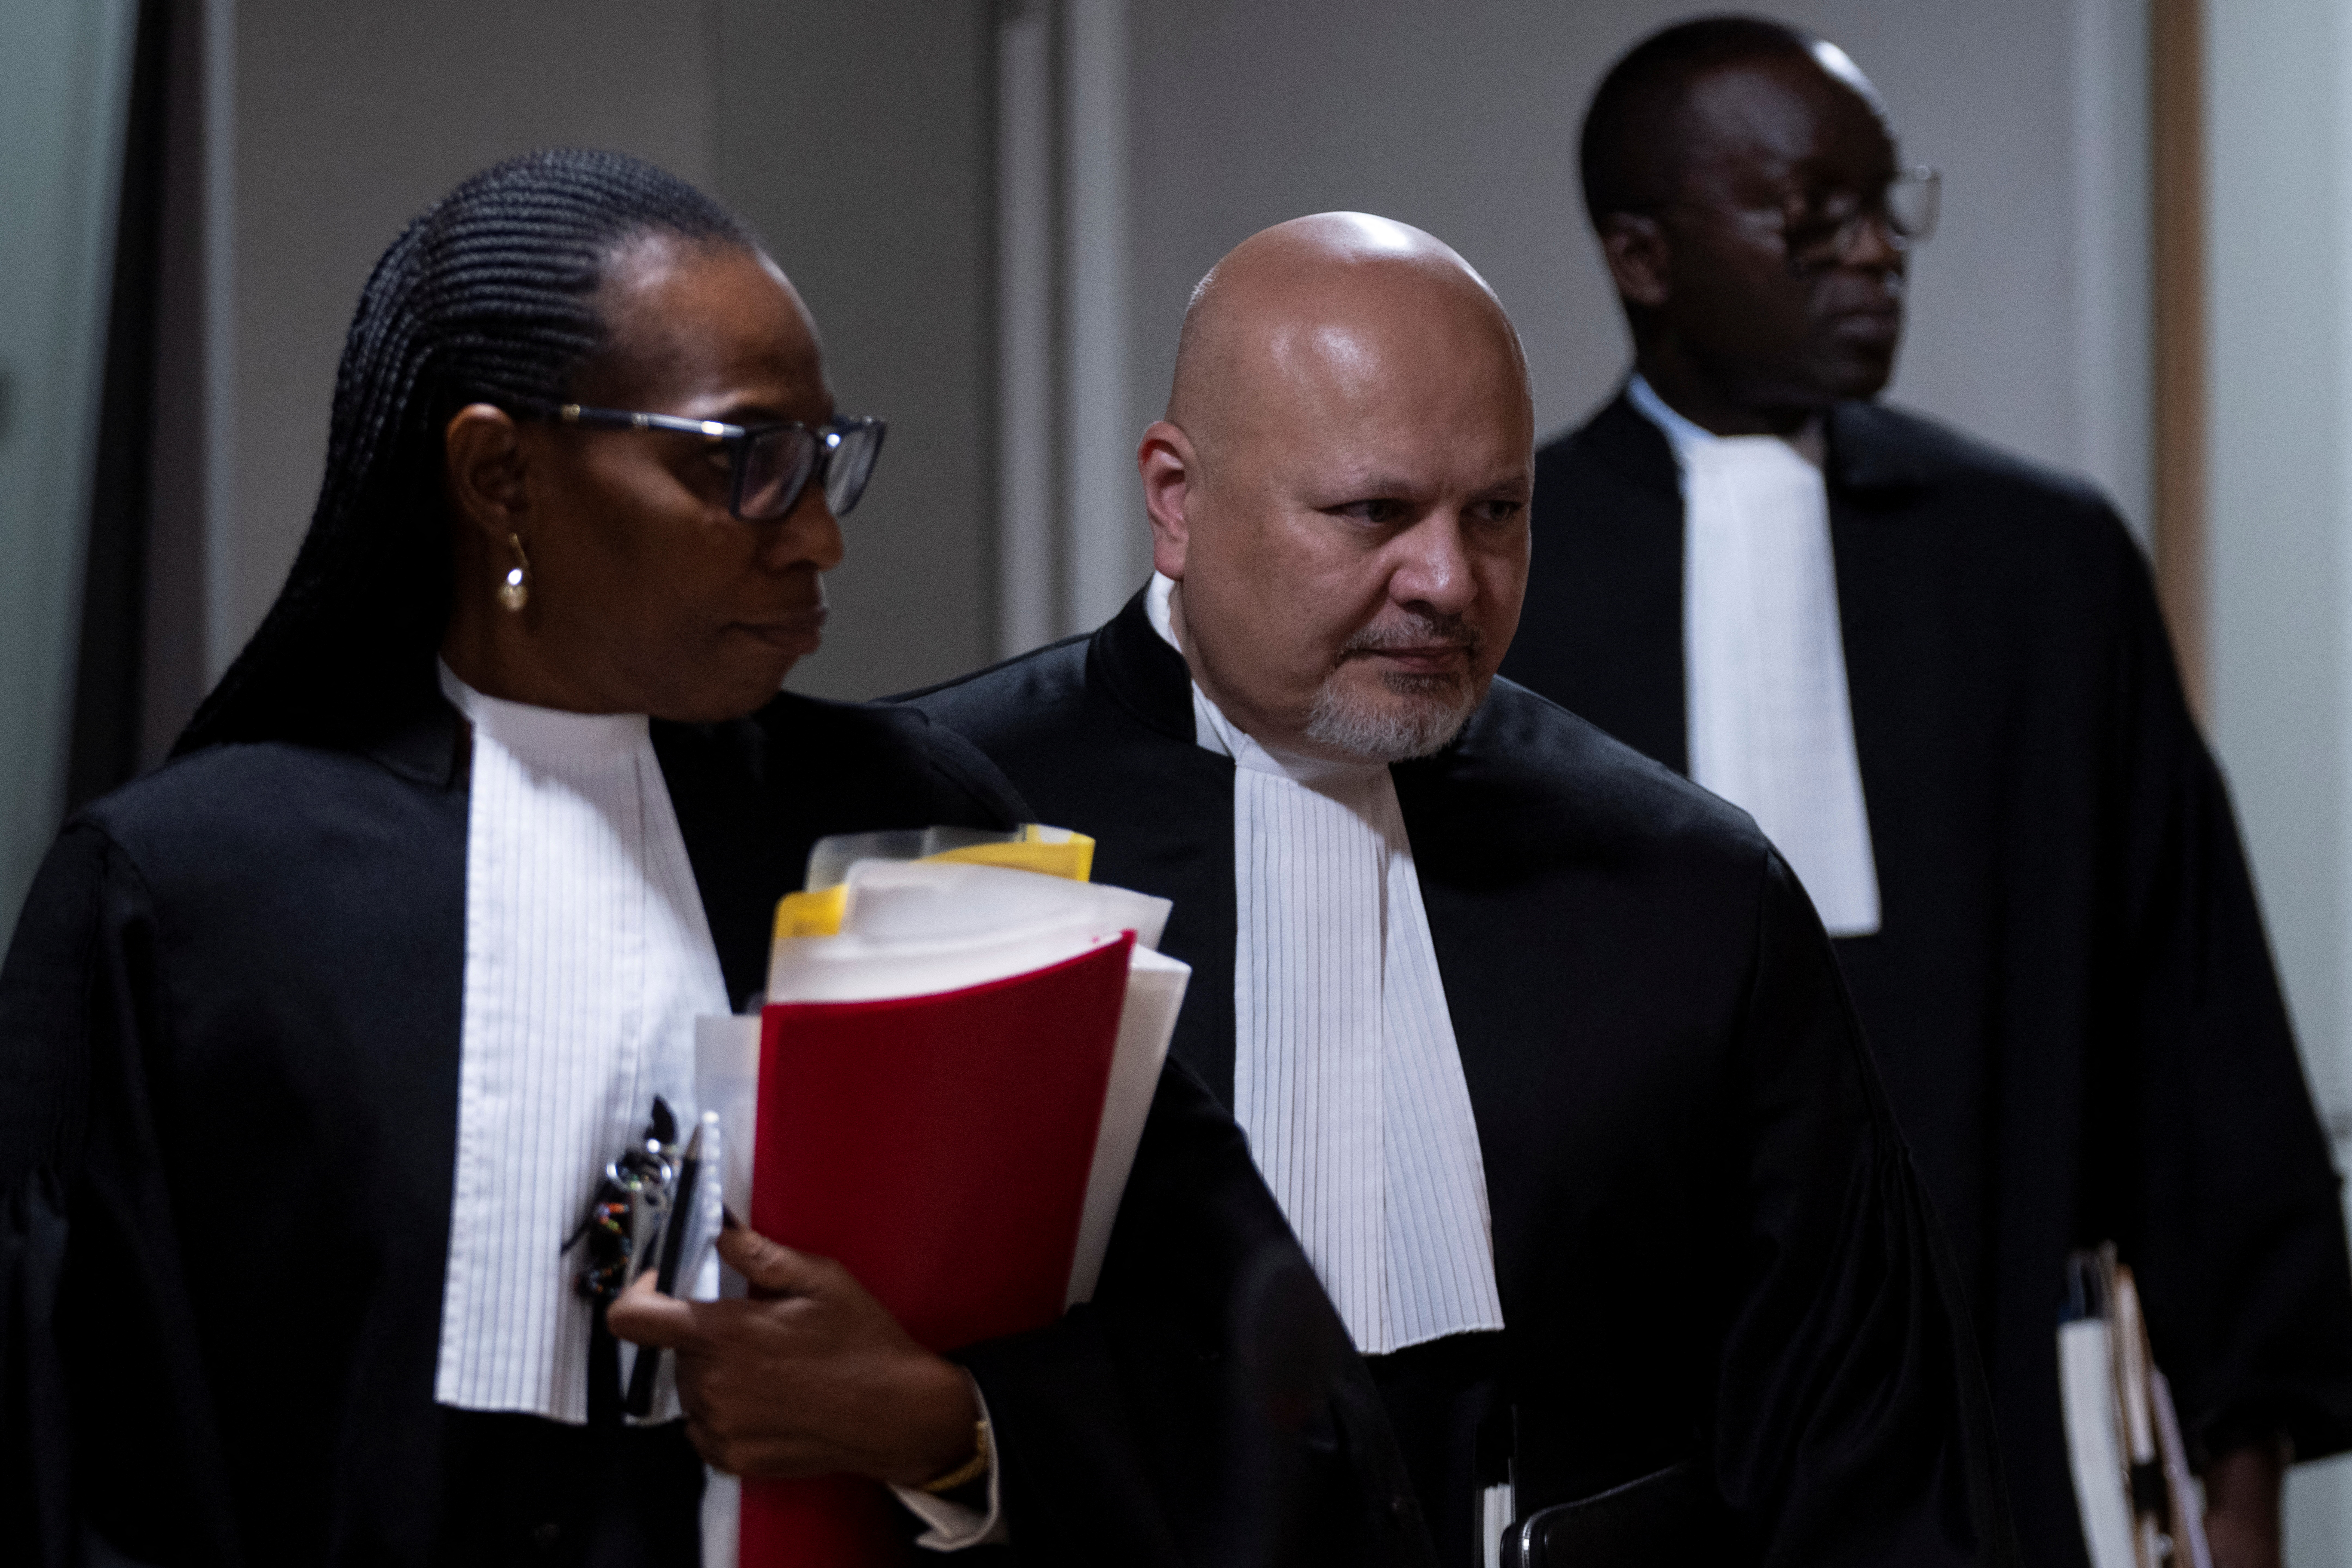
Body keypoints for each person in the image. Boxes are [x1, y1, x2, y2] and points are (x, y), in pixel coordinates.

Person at [0, 151, 1429, 1568]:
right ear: (501, 475)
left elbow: (1264, 1391)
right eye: (744, 463)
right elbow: (77, 1465)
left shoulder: (915, 825)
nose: (816, 538)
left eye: (824, 461)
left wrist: (947, 1427)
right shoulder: (189, 901)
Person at [904, 210, 2015, 1567]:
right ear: (1177, 498)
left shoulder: (1687, 886)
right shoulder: (935, 828)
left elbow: (1864, 1443)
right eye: (1374, 512)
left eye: (1496, 512)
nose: (1449, 581)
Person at [1494, 19, 2352, 1568]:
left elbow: (2193, 1013)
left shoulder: (2039, 559)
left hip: (2016, 1391)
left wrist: (2244, 1444)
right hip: (1636, 1436)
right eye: (1816, 216)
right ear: (1643, 253)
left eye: (1893, 204)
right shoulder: (1508, 581)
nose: (1880, 252)